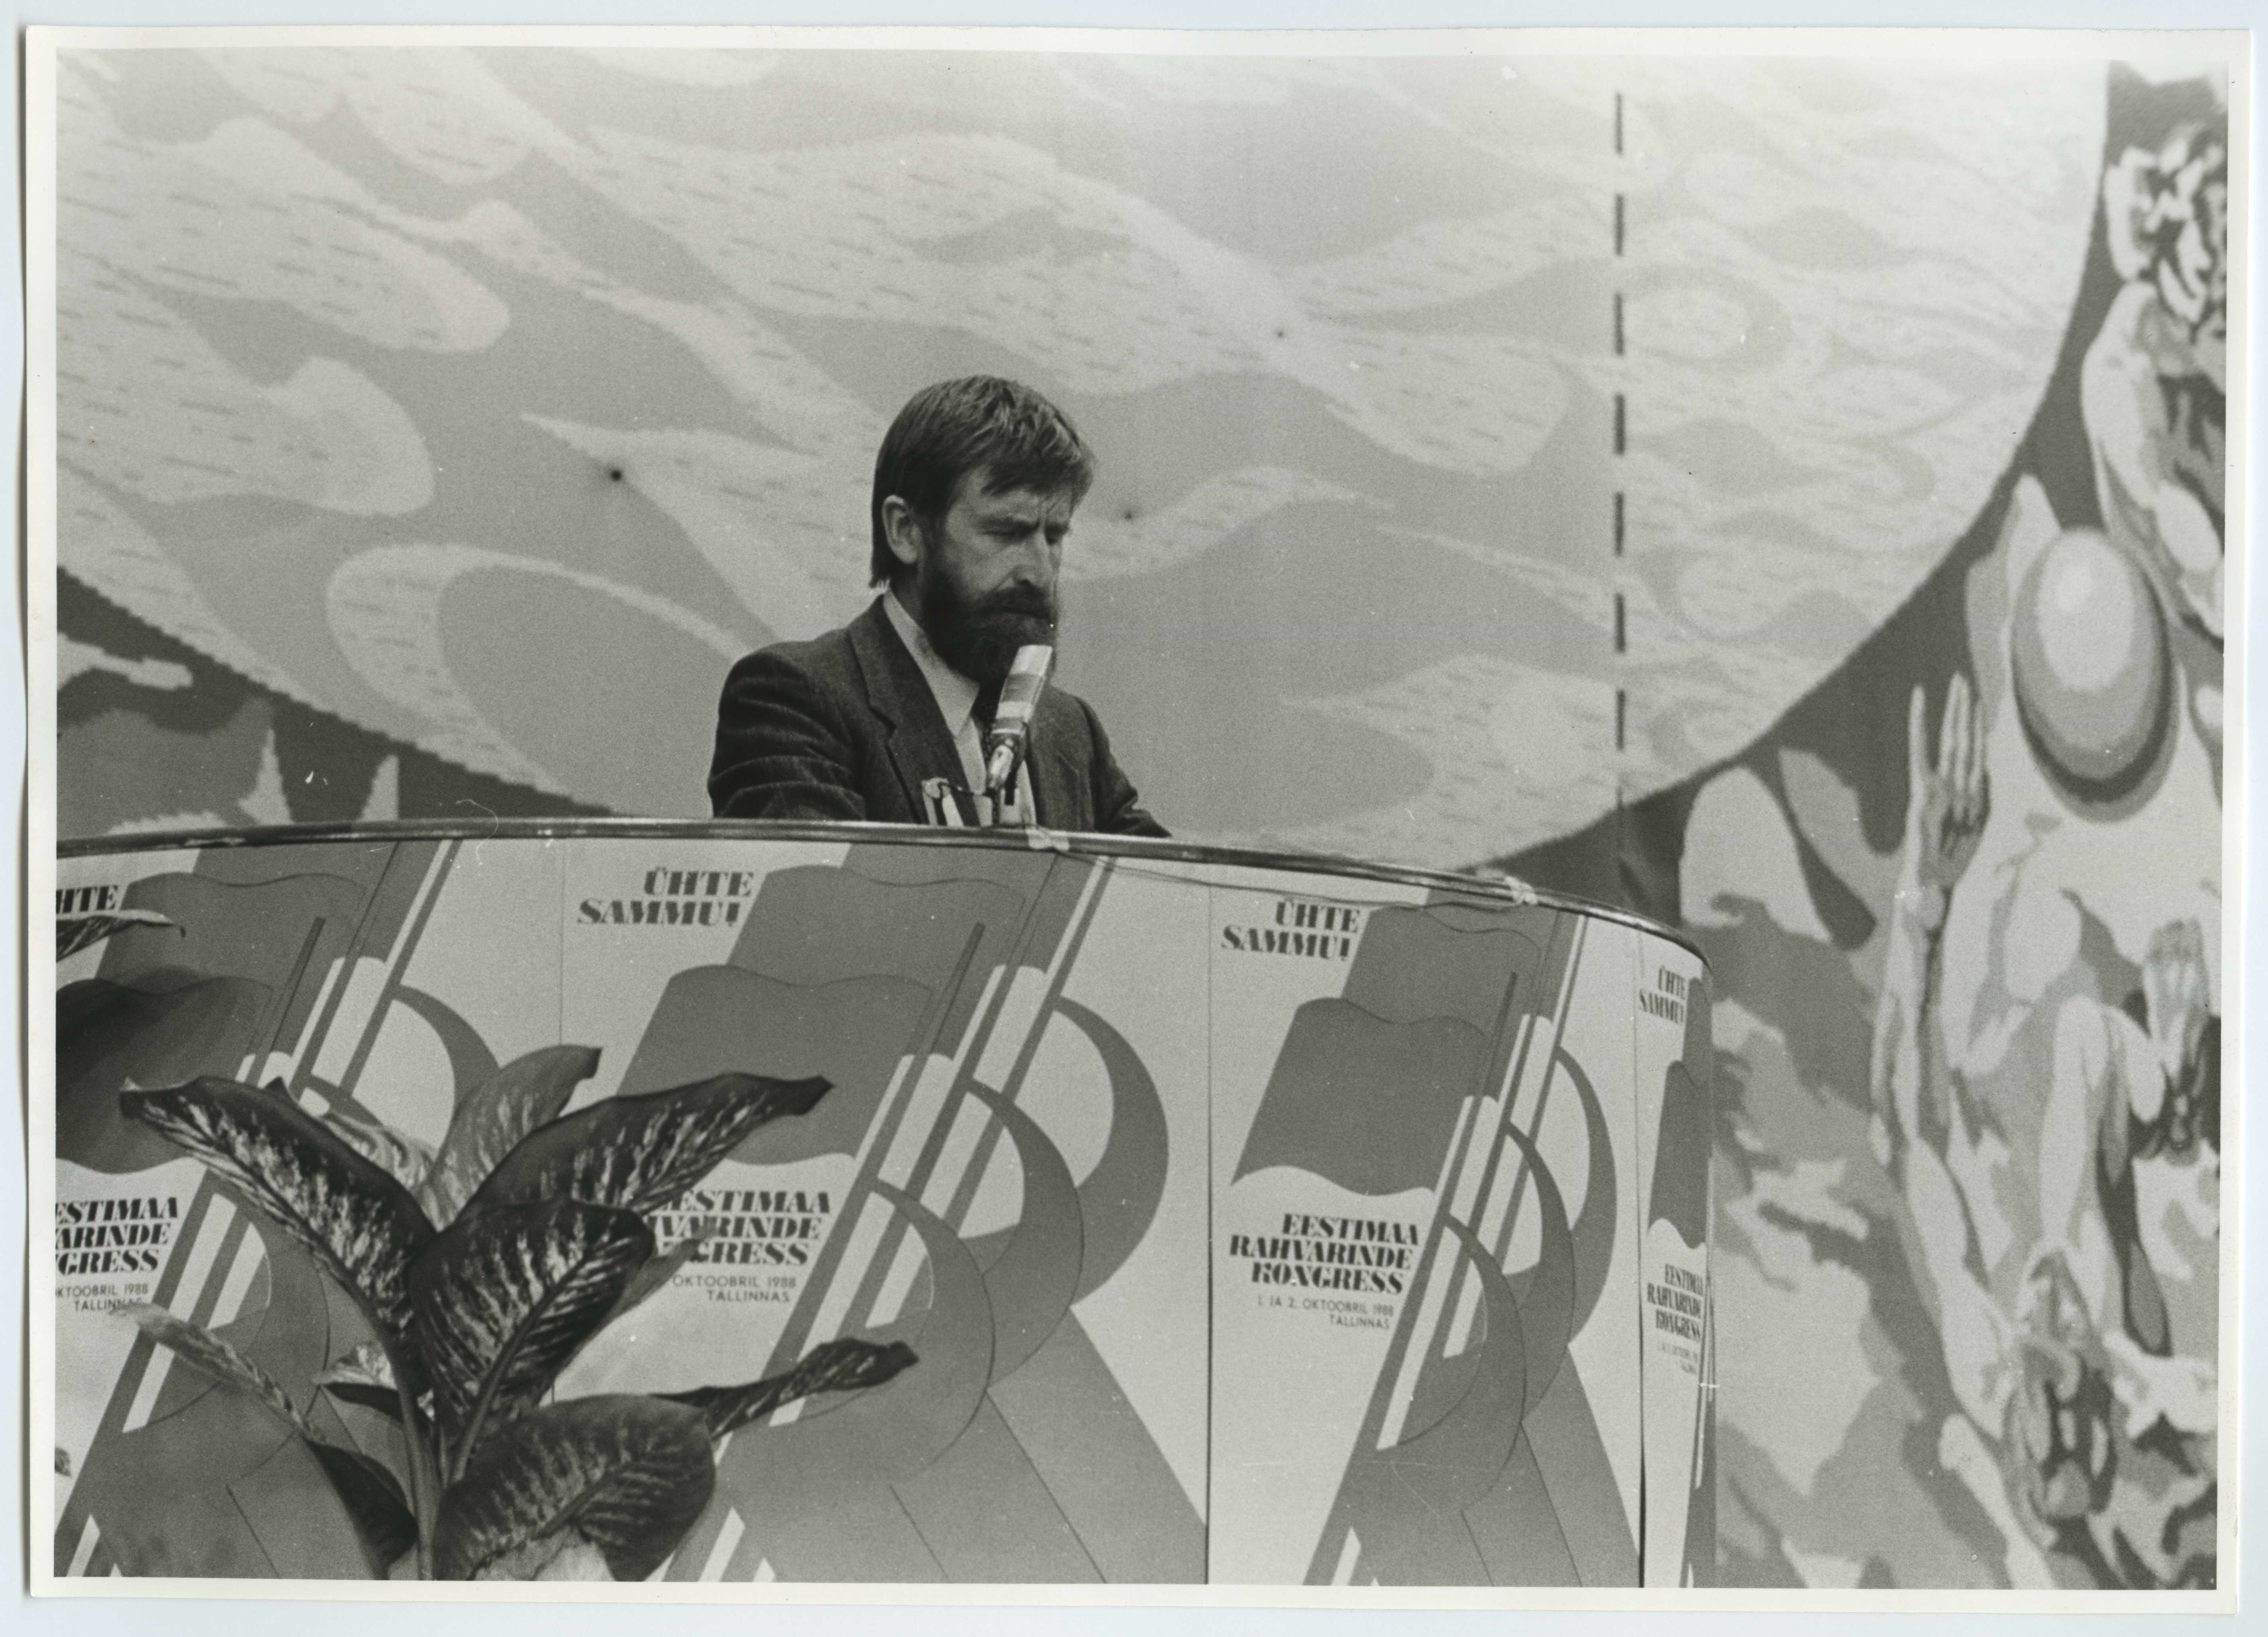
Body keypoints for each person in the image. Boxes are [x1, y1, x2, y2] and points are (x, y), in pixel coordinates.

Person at [708, 376, 1166, 835]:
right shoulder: (795, 700)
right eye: (1007, 533)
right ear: (905, 531)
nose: (1040, 572)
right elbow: (820, 881)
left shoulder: (1072, 730)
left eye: (1054, 536)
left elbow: (1167, 879)